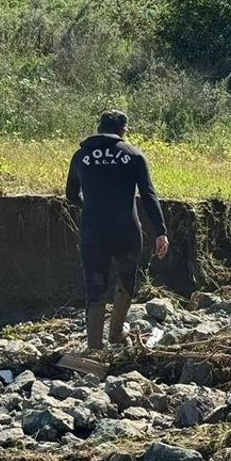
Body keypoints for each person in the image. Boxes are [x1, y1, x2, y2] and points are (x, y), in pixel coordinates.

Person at [65, 110, 169, 351]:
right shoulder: (133, 154)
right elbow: (149, 195)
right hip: (126, 231)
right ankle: (115, 334)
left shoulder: (81, 156)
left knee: (95, 285)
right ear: (123, 131)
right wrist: (161, 230)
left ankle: (93, 347)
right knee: (126, 279)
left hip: (94, 231)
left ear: (99, 127)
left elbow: (71, 194)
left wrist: (89, 205)